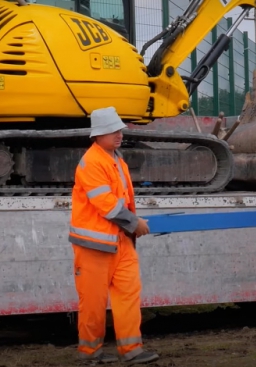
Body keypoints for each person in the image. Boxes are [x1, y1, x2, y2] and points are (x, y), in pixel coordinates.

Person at [69, 106, 159, 364]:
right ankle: (89, 354)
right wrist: (135, 223)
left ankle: (132, 350)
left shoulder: (114, 158)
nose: (119, 134)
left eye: (119, 129)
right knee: (93, 303)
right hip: (95, 245)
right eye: (112, 130)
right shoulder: (93, 162)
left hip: (119, 242)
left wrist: (131, 227)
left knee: (129, 296)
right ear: (98, 135)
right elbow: (106, 204)